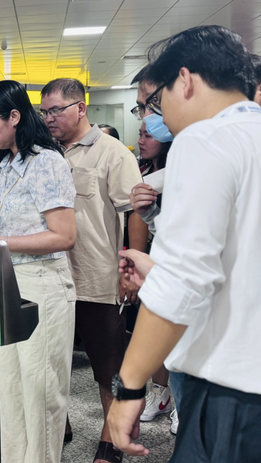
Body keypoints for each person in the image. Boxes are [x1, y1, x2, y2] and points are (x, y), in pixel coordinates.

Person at [108, 25, 261, 463]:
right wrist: (157, 272)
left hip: (231, 390)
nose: (156, 118)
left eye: (154, 104)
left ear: (186, 80)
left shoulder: (205, 139)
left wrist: (130, 386)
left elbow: (185, 282)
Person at [40, 78, 144, 463]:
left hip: (98, 278)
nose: (48, 118)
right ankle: (59, 424)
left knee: (107, 368)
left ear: (80, 108)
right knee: (51, 363)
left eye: (56, 110)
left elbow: (134, 212)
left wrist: (130, 264)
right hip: (52, 278)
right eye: (44, 111)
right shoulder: (46, 153)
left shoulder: (113, 153)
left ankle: (111, 439)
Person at [0, 81, 77, 463]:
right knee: (8, 389)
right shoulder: (3, 165)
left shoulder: (46, 161)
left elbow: (64, 235)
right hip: (7, 282)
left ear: (14, 116)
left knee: (40, 393)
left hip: (43, 285)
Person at [128, 64, 182, 435]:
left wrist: (128, 385)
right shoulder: (175, 161)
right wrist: (151, 212)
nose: (145, 119)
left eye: (149, 105)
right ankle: (168, 395)